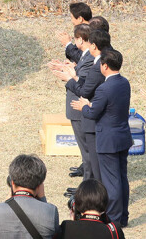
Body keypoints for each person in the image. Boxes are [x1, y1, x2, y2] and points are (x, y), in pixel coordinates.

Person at [71, 49, 131, 227]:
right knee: (121, 178)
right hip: (122, 137)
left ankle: (114, 220)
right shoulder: (124, 82)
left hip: (108, 140)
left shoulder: (104, 88)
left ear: (105, 66)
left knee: (111, 182)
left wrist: (84, 106)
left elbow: (93, 113)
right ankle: (123, 216)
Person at [57, 30, 112, 185]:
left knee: (90, 153)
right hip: (90, 113)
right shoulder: (99, 64)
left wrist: (69, 79)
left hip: (89, 113)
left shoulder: (97, 66)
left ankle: (90, 188)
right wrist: (74, 75)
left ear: (93, 45)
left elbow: (85, 90)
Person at [49, 24, 94, 187]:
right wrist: (66, 68)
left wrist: (67, 77)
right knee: (85, 150)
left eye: (75, 39)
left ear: (81, 40)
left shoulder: (89, 58)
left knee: (87, 151)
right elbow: (79, 74)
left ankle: (87, 187)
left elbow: (83, 84)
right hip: (77, 107)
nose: (74, 43)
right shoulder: (86, 56)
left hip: (79, 107)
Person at [0, 154, 60, 239]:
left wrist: (8, 202)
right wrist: (42, 199)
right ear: (39, 185)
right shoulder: (51, 212)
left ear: (12, 183)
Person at [59, 179, 125, 239]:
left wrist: (73, 221)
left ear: (78, 203)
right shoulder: (114, 230)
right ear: (105, 202)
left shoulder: (66, 227)